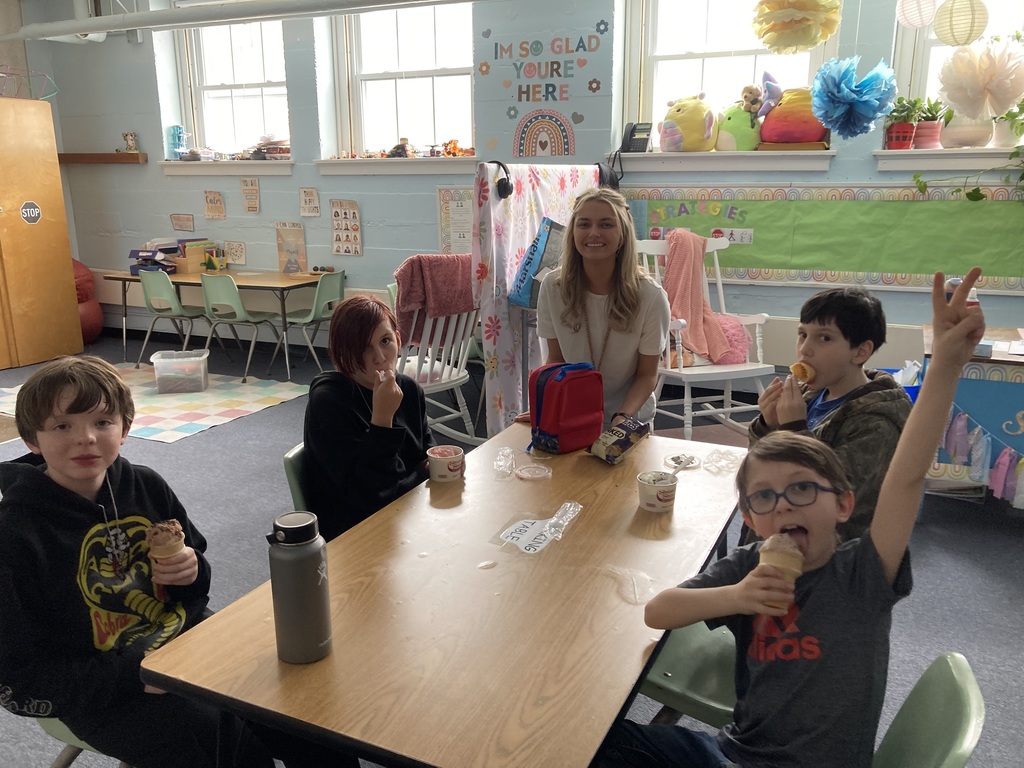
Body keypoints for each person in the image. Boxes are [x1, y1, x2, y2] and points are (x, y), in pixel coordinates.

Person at [591, 269, 986, 768]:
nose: (782, 505)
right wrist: (737, 596)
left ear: (842, 504)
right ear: (750, 521)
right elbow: (657, 611)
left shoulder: (861, 574)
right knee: (590, 740)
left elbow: (903, 480)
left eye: (802, 490)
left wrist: (948, 366)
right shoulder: (748, 568)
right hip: (736, 751)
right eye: (764, 499)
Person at [745, 285, 913, 542]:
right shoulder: (809, 394)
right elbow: (764, 470)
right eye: (802, 335)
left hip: (828, 555)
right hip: (775, 533)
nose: (805, 350)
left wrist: (793, 429)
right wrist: (768, 426)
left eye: (824, 338)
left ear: (860, 352)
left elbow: (827, 500)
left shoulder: (877, 422)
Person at [535, 187, 670, 427]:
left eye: (606, 225)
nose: (594, 233)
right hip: (571, 414)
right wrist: (544, 406)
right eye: (584, 224)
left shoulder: (651, 297)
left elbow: (647, 375)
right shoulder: (552, 286)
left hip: (629, 416)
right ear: (573, 232)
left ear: (623, 233)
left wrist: (622, 417)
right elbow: (555, 359)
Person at [303, 294, 435, 540]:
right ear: (343, 354)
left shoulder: (408, 389)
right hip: (357, 536)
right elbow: (373, 498)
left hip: (411, 519)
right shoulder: (329, 402)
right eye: (364, 349)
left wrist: (440, 465)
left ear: (398, 338)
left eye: (385, 341)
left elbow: (427, 457)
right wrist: (382, 420)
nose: (380, 357)